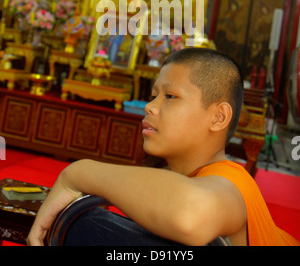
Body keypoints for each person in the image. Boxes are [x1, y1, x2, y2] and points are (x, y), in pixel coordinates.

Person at [27, 48, 300, 246]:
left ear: (218, 117)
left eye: (170, 96)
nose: (150, 106)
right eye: (153, 95)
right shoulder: (187, 180)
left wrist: (77, 173)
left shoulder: (231, 183)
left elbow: (190, 215)